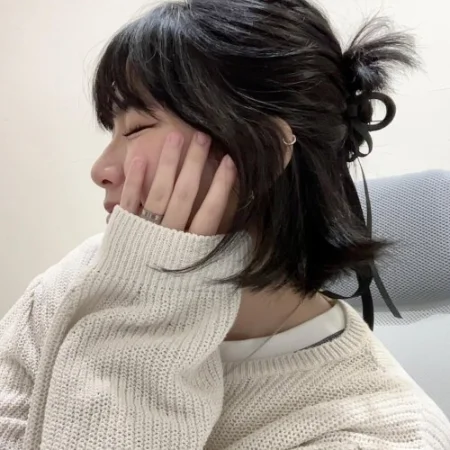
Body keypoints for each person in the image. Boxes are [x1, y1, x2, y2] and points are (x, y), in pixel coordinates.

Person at [1, 0, 449, 448]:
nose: (100, 169)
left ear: (265, 150)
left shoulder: (381, 435)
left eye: (135, 128)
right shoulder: (82, 277)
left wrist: (145, 316)